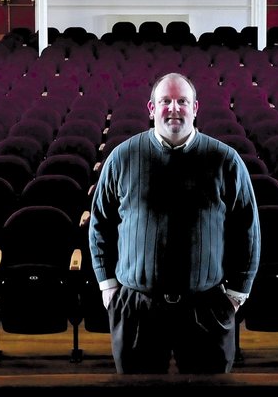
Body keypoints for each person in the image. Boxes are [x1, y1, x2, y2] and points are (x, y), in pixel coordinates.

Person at [88, 72, 261, 374]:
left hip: (206, 306)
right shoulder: (121, 158)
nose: (174, 108)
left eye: (182, 101)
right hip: (136, 307)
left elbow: (247, 230)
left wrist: (236, 294)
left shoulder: (226, 160)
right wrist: (108, 287)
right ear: (152, 108)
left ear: (195, 108)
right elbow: (100, 224)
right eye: (165, 101)